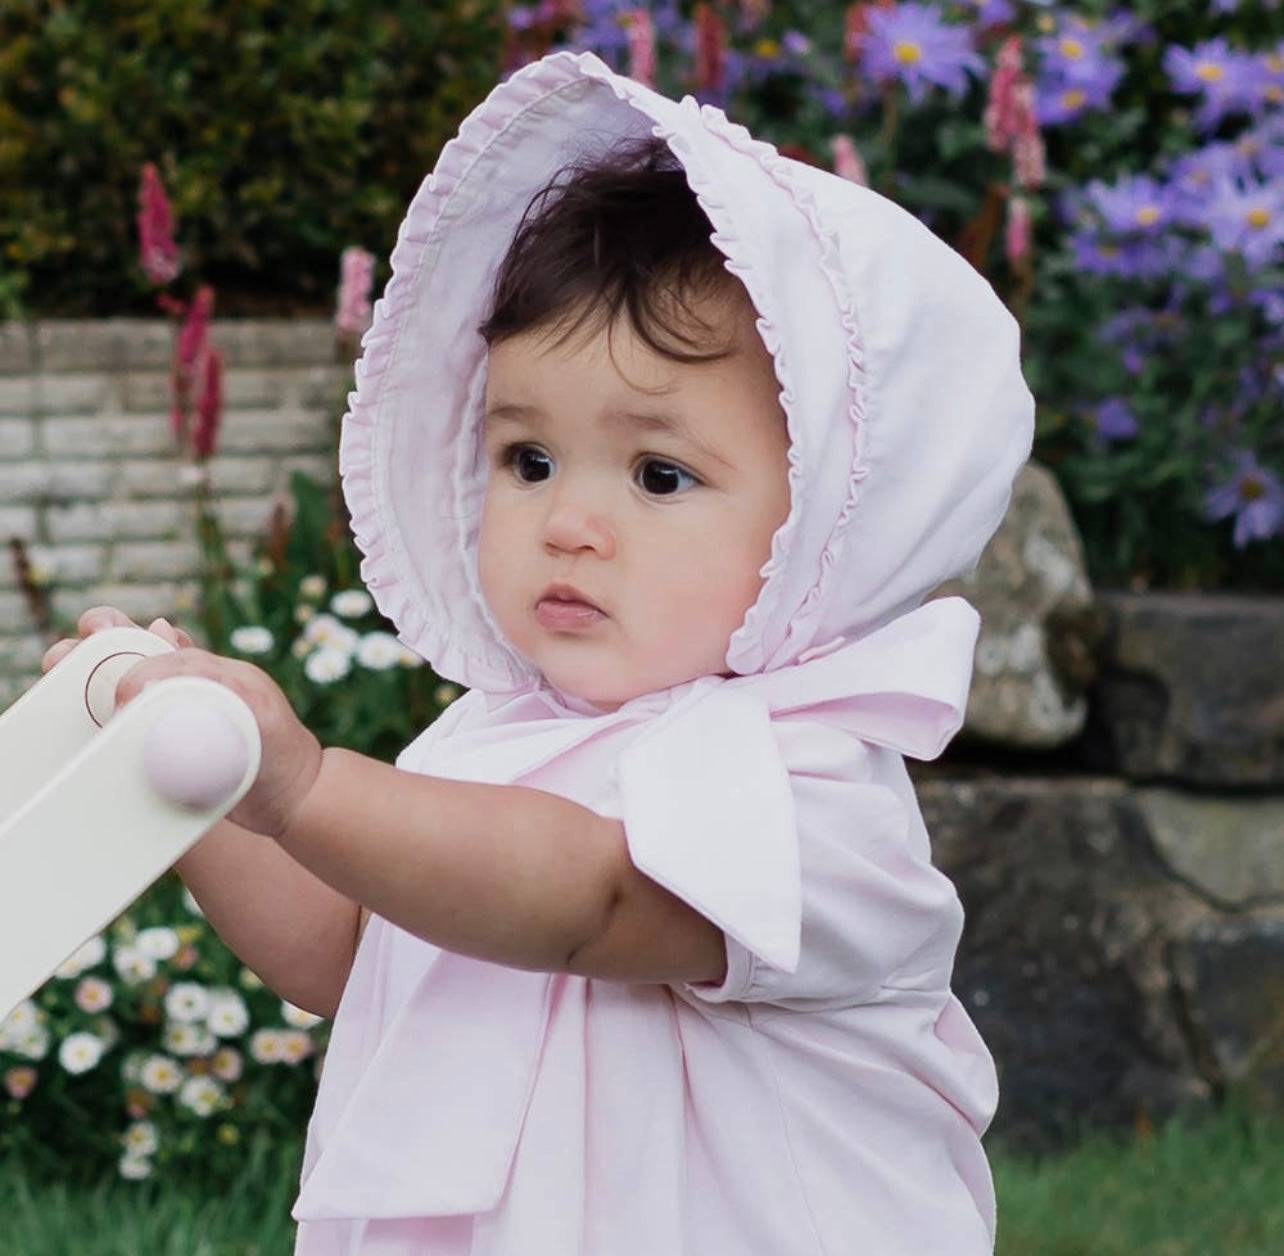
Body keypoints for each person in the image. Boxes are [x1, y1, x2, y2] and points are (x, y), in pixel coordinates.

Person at [46, 50, 1033, 1256]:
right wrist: (195, 781)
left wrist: (307, 782)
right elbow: (349, 948)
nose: (567, 520)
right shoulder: (490, 740)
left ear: (838, 522)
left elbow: (589, 897)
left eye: (660, 474)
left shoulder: (815, 794)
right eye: (528, 459)